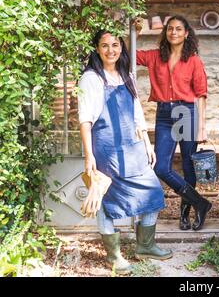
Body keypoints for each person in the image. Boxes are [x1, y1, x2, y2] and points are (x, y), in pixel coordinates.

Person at [78, 30, 172, 275]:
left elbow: (137, 113)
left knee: (153, 193)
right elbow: (85, 120)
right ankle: (115, 256)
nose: (111, 50)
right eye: (105, 45)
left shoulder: (126, 75)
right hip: (106, 149)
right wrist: (89, 156)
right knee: (105, 200)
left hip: (132, 148)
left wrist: (148, 144)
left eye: (115, 45)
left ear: (122, 48)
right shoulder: (91, 78)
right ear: (97, 49)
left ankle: (145, 246)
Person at [135, 15, 212, 231]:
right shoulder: (154, 57)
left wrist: (202, 127)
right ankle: (201, 203)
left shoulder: (193, 60)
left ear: (186, 33)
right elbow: (128, 54)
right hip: (164, 114)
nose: (174, 32)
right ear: (165, 32)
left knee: (188, 168)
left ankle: (185, 215)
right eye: (170, 29)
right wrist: (135, 34)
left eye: (179, 29)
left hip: (186, 112)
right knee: (161, 167)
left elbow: (201, 94)